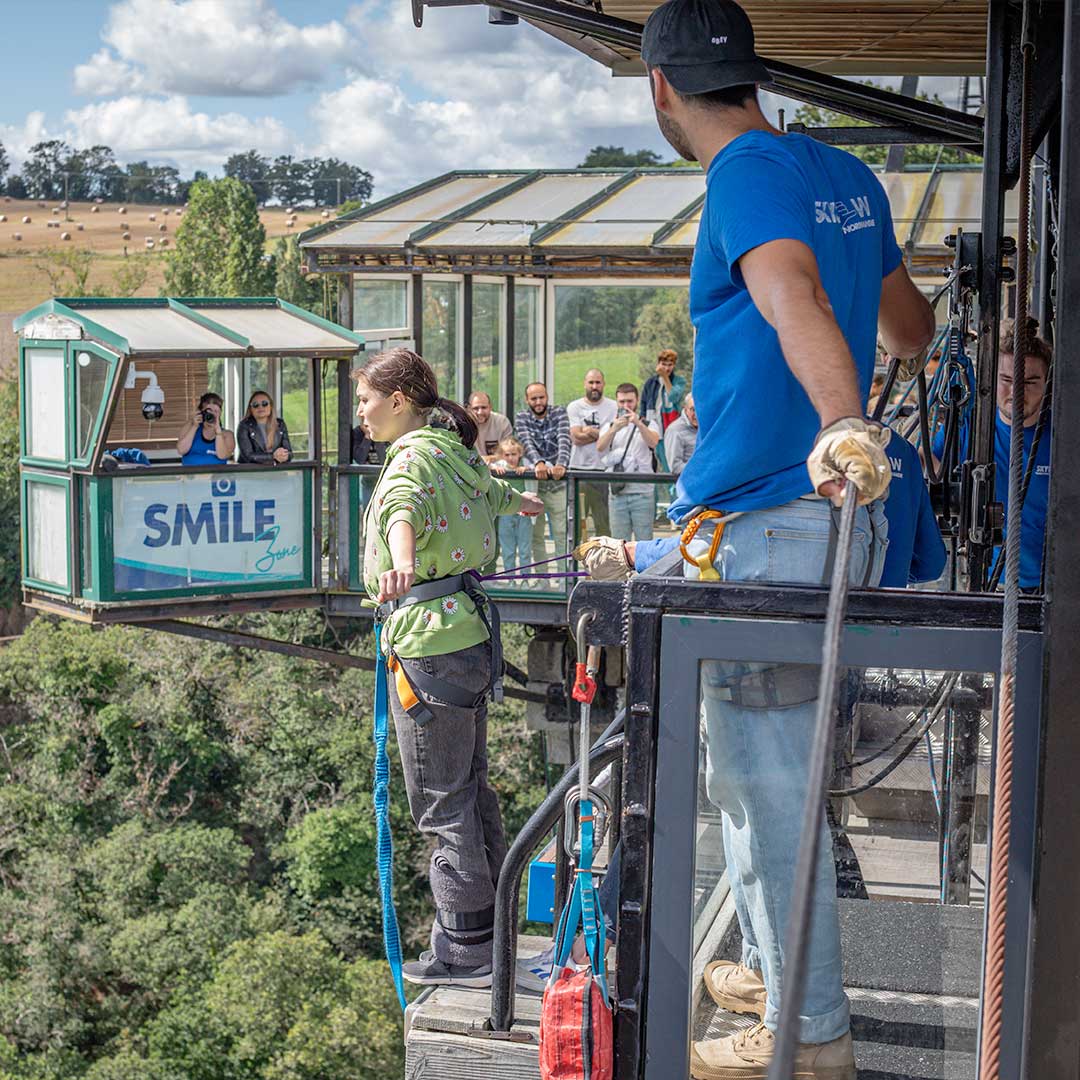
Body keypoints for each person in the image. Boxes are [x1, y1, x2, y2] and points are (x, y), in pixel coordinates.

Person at [637, 2, 937, 1075]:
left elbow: (786, 290)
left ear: (661, 91)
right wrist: (855, 400)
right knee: (762, 780)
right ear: (750, 74)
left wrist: (840, 421)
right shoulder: (845, 176)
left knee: (766, 797)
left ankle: (808, 1037)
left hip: (772, 522)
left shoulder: (744, 178)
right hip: (827, 528)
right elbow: (914, 326)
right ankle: (778, 965)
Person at [354, 347, 543, 988]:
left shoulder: (409, 459)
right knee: (471, 786)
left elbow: (402, 509)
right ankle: (490, 934)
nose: (362, 413)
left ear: (398, 400)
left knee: (441, 802)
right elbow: (496, 491)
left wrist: (401, 561)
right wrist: (525, 507)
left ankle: (464, 949)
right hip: (466, 636)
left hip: (427, 643)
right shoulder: (452, 449)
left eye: (366, 400)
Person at [932, 316, 1051, 591]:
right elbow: (932, 467)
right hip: (988, 584)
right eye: (1007, 380)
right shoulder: (972, 427)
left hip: (1054, 588)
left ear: (1047, 383)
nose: (1016, 393)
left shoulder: (1063, 438)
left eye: (1031, 382)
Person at [597, 383, 662, 541]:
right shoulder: (610, 426)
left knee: (644, 541)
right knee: (619, 543)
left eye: (630, 402)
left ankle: (644, 568)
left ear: (637, 401)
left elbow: (654, 442)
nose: (626, 406)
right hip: (618, 493)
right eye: (622, 402)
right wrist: (614, 429)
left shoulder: (648, 424)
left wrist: (638, 424)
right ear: (617, 402)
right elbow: (600, 447)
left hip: (643, 493)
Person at [515, 382, 571, 558]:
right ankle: (542, 580)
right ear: (527, 400)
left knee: (562, 534)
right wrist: (538, 462)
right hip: (534, 486)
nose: (538, 402)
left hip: (557, 484)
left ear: (547, 397)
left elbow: (564, 439)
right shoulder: (521, 417)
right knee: (536, 535)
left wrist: (561, 464)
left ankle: (564, 580)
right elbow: (526, 442)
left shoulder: (559, 413)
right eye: (534, 398)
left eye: (541, 397)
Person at [566, 368, 618, 537]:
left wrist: (588, 431)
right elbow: (576, 438)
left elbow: (612, 437)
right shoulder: (574, 406)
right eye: (591, 382)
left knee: (602, 521)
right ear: (584, 384)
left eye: (597, 382)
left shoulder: (613, 406)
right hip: (577, 470)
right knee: (577, 522)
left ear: (603, 384)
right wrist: (603, 434)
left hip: (602, 470)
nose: (594, 386)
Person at [490, 436, 536, 577]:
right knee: (508, 548)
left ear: (520, 454)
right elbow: (487, 466)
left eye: (514, 454)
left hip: (524, 512)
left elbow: (537, 467)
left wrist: (527, 469)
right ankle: (510, 579)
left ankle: (525, 579)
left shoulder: (525, 464)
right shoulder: (501, 467)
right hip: (506, 512)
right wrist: (494, 467)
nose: (510, 458)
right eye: (507, 455)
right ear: (502, 456)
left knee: (524, 548)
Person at [177, 392, 234, 467]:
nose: (212, 414)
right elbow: (181, 450)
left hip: (216, 477)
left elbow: (222, 455)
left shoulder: (227, 435)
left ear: (220, 413)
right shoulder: (189, 427)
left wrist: (218, 431)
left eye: (216, 411)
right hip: (191, 476)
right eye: (209, 411)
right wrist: (194, 426)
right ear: (201, 411)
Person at [237, 389, 292, 465]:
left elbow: (289, 452)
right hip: (250, 472)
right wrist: (273, 456)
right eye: (255, 404)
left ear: (271, 406)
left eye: (264, 403)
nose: (260, 407)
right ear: (251, 409)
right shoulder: (244, 425)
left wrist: (285, 456)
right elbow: (248, 456)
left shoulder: (280, 423)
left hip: (277, 472)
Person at [640, 347, 688, 436]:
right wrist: (642, 419)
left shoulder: (679, 381)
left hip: (671, 421)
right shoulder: (650, 382)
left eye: (670, 365)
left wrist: (665, 377)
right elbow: (643, 402)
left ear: (674, 365)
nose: (666, 368)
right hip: (653, 421)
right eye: (663, 364)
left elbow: (673, 397)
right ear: (658, 364)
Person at [468, 391, 513, 461]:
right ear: (470, 409)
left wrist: (486, 459)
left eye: (484, 407)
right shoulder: (465, 424)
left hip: (499, 468)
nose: (480, 412)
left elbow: (509, 453)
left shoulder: (502, 422)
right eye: (476, 408)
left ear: (490, 407)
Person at [664, 392, 699, 475]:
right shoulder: (675, 430)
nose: (697, 415)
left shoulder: (707, 427)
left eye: (700, 409)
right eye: (693, 409)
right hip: (688, 484)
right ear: (685, 409)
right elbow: (675, 467)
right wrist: (701, 469)